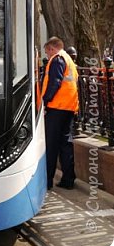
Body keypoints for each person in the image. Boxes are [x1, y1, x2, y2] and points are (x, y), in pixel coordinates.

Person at [41, 36, 79, 190]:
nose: (47, 56)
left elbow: (55, 82)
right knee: (65, 144)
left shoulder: (57, 59)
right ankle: (68, 179)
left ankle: (47, 181)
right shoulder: (69, 60)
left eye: (47, 52)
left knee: (52, 145)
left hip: (57, 107)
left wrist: (45, 101)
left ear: (51, 48)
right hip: (69, 107)